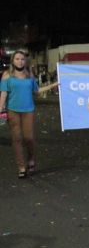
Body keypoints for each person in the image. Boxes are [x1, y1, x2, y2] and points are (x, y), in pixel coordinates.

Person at [0, 50, 59, 179]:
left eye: (22, 59)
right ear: (12, 61)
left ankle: (31, 159)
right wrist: (0, 109)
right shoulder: (7, 75)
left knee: (29, 138)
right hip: (13, 111)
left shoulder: (29, 75)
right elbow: (3, 94)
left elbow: (37, 91)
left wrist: (54, 85)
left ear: (25, 61)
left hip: (28, 111)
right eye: (17, 59)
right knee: (16, 139)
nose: (20, 61)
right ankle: (21, 167)